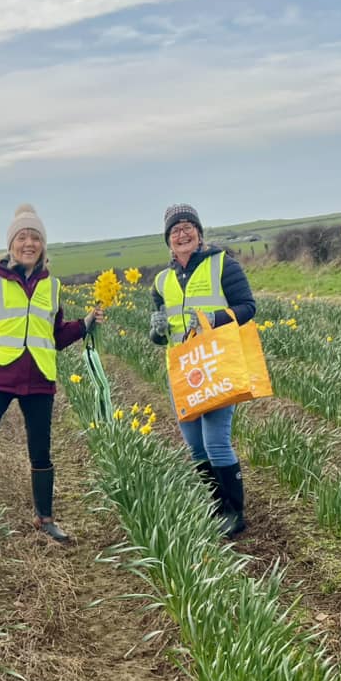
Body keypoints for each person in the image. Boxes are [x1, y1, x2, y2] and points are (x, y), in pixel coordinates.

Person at [0, 203, 103, 543]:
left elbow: (55, 335)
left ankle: (45, 518)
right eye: (22, 237)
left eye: (35, 237)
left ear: (43, 245)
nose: (29, 243)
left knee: (41, 449)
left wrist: (85, 324)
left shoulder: (52, 285)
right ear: (11, 244)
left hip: (38, 377)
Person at [150, 204, 256, 538]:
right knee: (195, 445)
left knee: (216, 442)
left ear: (199, 232)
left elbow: (248, 307)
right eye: (175, 230)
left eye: (187, 227)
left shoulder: (223, 264)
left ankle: (234, 513)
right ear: (168, 239)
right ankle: (216, 506)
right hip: (182, 371)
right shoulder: (161, 281)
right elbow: (161, 332)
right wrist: (156, 331)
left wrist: (214, 319)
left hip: (215, 364)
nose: (182, 234)